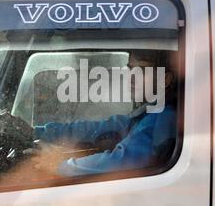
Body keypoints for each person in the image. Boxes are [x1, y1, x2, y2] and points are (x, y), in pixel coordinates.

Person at [32, 50, 178, 177]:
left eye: (142, 71)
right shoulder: (146, 114)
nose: (131, 77)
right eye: (130, 69)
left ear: (165, 79)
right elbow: (100, 128)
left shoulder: (163, 119)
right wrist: (36, 132)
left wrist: (61, 166)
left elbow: (121, 161)